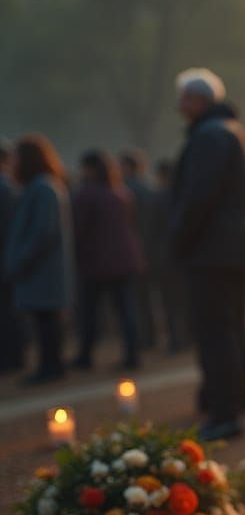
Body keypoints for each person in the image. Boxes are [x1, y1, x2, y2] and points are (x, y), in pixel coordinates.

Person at [169, 68, 245, 441]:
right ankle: (236, 399)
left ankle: (224, 415)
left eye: (185, 98)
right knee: (232, 329)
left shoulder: (209, 136)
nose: (179, 105)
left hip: (211, 250)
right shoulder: (231, 130)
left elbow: (199, 197)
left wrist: (178, 239)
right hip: (231, 248)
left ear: (201, 99)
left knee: (215, 333)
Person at [3, 135, 73, 384]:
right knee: (44, 320)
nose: (12, 163)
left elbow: (43, 232)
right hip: (39, 269)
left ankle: (51, 367)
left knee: (47, 321)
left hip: (42, 269)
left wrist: (21, 260)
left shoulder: (44, 188)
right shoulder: (39, 186)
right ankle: (48, 365)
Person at [70, 150, 145, 371]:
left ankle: (85, 355)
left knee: (90, 312)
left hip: (98, 262)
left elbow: (79, 230)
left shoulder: (86, 195)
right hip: (125, 259)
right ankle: (133, 354)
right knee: (126, 311)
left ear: (89, 169)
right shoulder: (121, 193)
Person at [119, 149, 158, 352]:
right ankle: (151, 335)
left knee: (139, 298)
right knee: (147, 298)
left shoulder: (128, 191)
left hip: (137, 250)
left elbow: (137, 226)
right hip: (150, 249)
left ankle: (146, 337)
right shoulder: (149, 188)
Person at [149, 159, 189, 354]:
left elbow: (152, 229)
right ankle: (188, 337)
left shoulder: (158, 198)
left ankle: (175, 339)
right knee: (185, 299)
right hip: (185, 256)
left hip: (166, 256)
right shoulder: (186, 194)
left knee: (170, 303)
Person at [0, 139, 24, 373]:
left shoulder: (5, 188)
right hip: (10, 256)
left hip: (7, 257)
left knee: (7, 312)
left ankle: (11, 358)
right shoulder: (11, 187)